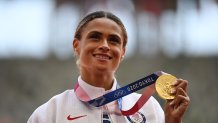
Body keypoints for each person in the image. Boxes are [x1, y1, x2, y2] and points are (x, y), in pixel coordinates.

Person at [28, 11, 190, 123]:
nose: (105, 45)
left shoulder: (150, 109)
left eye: (113, 40)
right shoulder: (50, 112)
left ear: (122, 52)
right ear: (76, 45)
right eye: (95, 37)